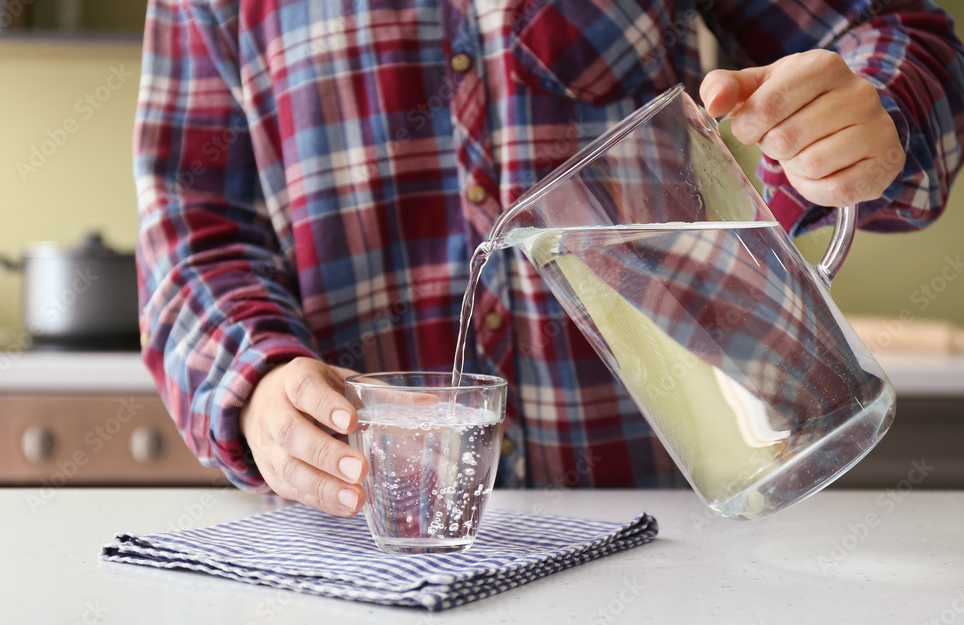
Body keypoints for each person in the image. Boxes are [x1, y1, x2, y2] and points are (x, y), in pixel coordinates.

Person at [134, 0, 964, 517]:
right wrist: (256, 383)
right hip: (372, 559)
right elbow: (192, 223)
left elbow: (895, 35)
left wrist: (866, 113)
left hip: (681, 527)